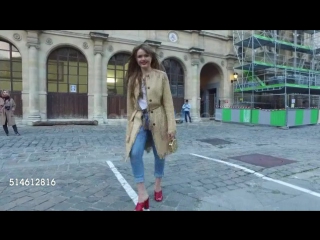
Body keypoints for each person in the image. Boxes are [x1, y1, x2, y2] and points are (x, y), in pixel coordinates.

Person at [125, 43, 177, 211]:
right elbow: (130, 106)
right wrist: (130, 128)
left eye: (146, 56)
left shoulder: (161, 76)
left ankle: (157, 186)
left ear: (151, 57)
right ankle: (142, 193)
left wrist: (171, 127)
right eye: (139, 56)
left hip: (159, 119)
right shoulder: (133, 78)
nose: (143, 59)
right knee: (134, 152)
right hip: (139, 119)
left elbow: (168, 103)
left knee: (160, 153)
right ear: (136, 59)